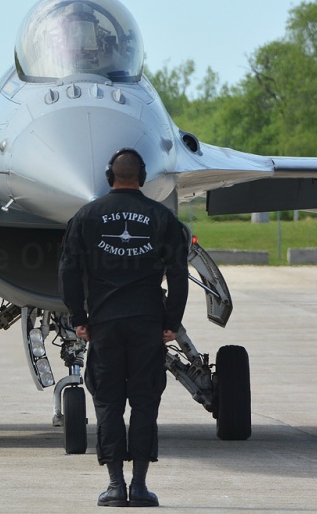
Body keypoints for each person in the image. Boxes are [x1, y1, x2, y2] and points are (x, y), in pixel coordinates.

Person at [59, 149, 189, 507]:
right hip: (147, 323)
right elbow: (178, 275)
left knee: (108, 403)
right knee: (146, 403)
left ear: (107, 175)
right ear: (143, 176)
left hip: (105, 325)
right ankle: (141, 486)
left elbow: (68, 271)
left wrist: (78, 318)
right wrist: (171, 323)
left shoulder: (86, 216)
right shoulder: (163, 217)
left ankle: (116, 486)